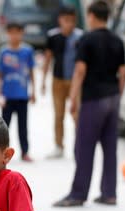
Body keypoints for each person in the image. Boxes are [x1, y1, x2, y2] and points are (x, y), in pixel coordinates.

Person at [53, 1, 125, 207]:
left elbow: (79, 71)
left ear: (91, 16)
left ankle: (78, 194)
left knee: (84, 147)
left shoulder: (87, 39)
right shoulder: (117, 40)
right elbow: (123, 74)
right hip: (112, 98)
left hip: (94, 99)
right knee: (110, 148)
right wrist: (117, 95)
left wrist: (74, 98)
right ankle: (109, 193)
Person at [41, 6, 83, 159]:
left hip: (75, 82)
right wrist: (43, 81)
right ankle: (59, 146)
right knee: (59, 115)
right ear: (60, 20)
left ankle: (80, 145)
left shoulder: (80, 37)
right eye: (66, 21)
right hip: (57, 80)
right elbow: (47, 58)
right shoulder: (53, 37)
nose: (69, 24)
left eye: (72, 21)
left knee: (77, 114)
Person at [0, 22, 36, 162]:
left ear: (22, 33)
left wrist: (33, 91)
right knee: (4, 127)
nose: (14, 36)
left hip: (22, 95)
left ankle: (25, 152)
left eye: (17, 32)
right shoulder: (3, 52)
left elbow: (31, 71)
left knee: (23, 126)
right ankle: (2, 152)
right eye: (11, 33)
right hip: (7, 95)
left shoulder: (27, 51)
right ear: (7, 34)